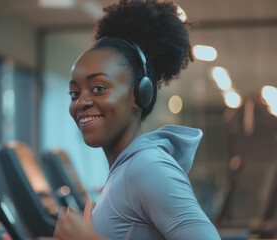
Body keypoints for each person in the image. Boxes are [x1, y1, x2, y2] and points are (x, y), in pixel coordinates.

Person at [54, 0, 221, 239]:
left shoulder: (148, 167)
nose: (81, 102)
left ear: (139, 94)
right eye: (74, 93)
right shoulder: (127, 169)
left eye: (99, 88)